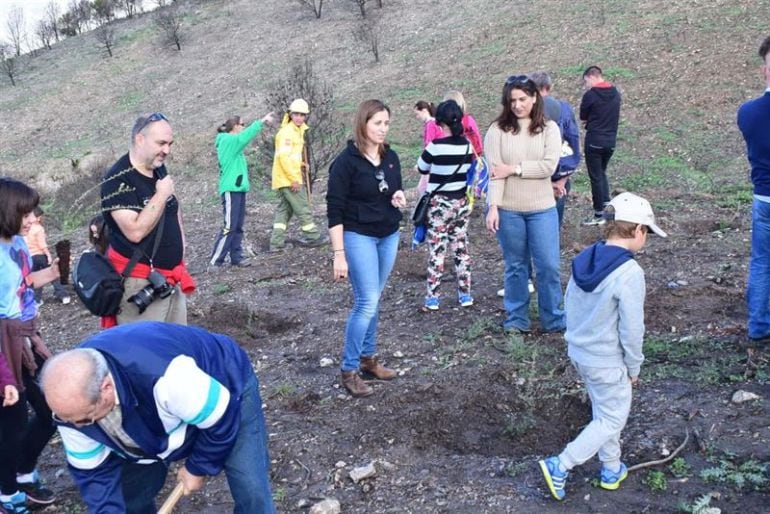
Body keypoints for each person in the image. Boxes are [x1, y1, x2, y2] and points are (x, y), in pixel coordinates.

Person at [40, 321, 275, 514]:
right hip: (150, 421)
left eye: (84, 420)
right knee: (131, 496)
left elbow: (221, 419)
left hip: (226, 390)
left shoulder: (167, 377)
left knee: (251, 489)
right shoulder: (72, 409)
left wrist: (198, 467)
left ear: (106, 388)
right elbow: (95, 476)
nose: (77, 427)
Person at [538, 192, 667, 501]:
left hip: (581, 353)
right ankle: (561, 465)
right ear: (637, 231)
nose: (646, 238)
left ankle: (611, 468)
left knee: (604, 410)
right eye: (647, 232)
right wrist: (633, 367)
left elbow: (568, 302)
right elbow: (632, 329)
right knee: (612, 417)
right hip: (608, 360)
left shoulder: (585, 260)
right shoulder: (629, 272)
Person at [326, 99, 406, 397]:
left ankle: (369, 360)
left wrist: (398, 197)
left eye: (386, 123)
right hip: (358, 236)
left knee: (375, 298)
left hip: (388, 234)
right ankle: (348, 370)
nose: (383, 129)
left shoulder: (391, 157)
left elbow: (392, 190)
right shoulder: (345, 163)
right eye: (377, 123)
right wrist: (339, 254)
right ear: (363, 124)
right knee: (366, 301)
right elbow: (334, 210)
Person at [484, 76, 565, 334]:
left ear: (534, 98)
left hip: (542, 208)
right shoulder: (497, 131)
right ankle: (516, 318)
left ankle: (554, 317)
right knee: (516, 266)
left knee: (549, 265)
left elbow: (548, 166)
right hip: (509, 209)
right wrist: (493, 206)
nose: (518, 105)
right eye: (512, 100)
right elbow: (495, 174)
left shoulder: (549, 129)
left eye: (522, 99)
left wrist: (515, 169)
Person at [100, 112, 195, 327]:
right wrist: (160, 194)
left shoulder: (158, 168)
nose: (167, 150)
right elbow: (135, 232)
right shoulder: (117, 181)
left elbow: (172, 207)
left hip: (170, 280)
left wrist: (182, 243)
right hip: (140, 284)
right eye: (161, 143)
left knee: (176, 349)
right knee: (146, 354)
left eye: (170, 143)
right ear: (139, 139)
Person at [0, 177, 59, 514]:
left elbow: (22, 288)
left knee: (49, 409)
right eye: (25, 212)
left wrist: (51, 274)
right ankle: (7, 494)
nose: (33, 219)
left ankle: (22, 473)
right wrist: (5, 374)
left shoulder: (19, 245)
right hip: (3, 345)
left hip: (24, 338)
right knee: (11, 423)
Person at [416, 99, 474, 310]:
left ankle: (433, 298)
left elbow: (421, 167)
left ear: (439, 122)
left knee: (437, 250)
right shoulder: (467, 145)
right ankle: (465, 295)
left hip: (439, 205)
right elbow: (469, 168)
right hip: (460, 202)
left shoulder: (435, 147)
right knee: (461, 248)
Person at [209, 111, 275, 268]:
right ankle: (215, 261)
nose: (244, 128)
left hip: (237, 189)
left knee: (237, 225)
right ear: (235, 127)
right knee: (229, 225)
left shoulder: (233, 144)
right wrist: (261, 122)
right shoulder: (228, 141)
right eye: (242, 124)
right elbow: (244, 137)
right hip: (231, 189)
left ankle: (236, 257)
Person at [739, 36, 770, 343]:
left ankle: (759, 325)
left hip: (764, 198)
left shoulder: (747, 112)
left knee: (762, 261)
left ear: (764, 71)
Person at [269, 99, 327, 252]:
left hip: (284, 178)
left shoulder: (297, 130)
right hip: (288, 179)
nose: (299, 118)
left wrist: (302, 164)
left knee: (284, 210)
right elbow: (283, 158)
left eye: (302, 115)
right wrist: (293, 179)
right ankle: (312, 236)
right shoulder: (287, 133)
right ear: (290, 114)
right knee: (303, 207)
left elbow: (291, 156)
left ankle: (276, 243)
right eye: (296, 114)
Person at [580, 66, 621, 226]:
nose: (586, 85)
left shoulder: (590, 95)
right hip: (610, 141)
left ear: (591, 77)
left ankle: (599, 214)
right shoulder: (616, 93)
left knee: (596, 176)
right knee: (602, 173)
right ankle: (607, 208)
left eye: (586, 82)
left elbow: (583, 115)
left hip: (594, 140)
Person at [24, 207, 71, 305]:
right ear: (37, 218)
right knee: (53, 275)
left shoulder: (26, 229)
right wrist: (48, 255)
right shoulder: (39, 229)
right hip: (40, 255)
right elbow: (42, 245)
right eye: (40, 216)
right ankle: (63, 295)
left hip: (31, 257)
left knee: (35, 278)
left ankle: (36, 300)